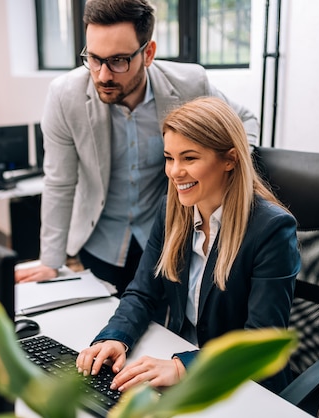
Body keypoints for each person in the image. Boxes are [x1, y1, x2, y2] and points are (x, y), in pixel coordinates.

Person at [15, 0, 259, 297]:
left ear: (148, 54)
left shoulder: (189, 84)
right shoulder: (65, 96)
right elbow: (59, 182)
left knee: (171, 328)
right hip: (101, 242)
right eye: (94, 59)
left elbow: (243, 121)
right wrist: (51, 261)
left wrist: (227, 176)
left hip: (172, 239)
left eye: (118, 61)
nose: (103, 75)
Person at [75, 97, 301, 394]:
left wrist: (183, 367)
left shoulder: (271, 229)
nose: (174, 172)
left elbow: (260, 341)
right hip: (178, 360)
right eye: (170, 157)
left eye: (190, 158)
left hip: (242, 383)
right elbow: (143, 292)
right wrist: (115, 337)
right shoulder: (173, 210)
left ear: (230, 159)